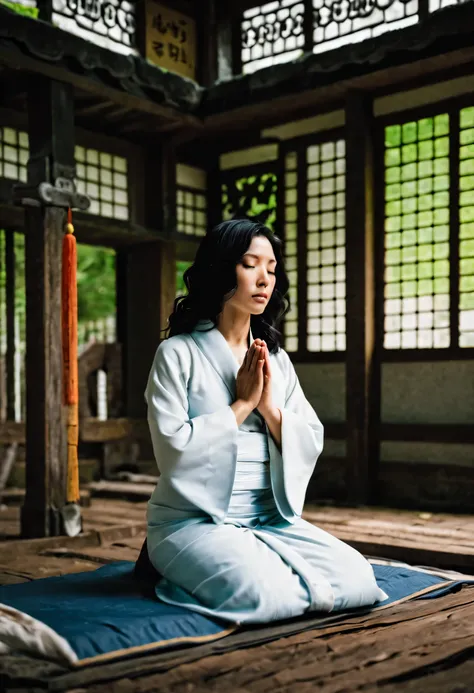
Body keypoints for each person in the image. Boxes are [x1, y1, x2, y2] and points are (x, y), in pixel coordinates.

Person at [144, 218, 387, 624]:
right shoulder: (176, 353)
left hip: (269, 517)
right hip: (194, 521)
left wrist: (269, 410)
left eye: (271, 269)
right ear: (221, 270)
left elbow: (309, 436)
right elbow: (172, 450)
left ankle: (259, 558)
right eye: (249, 264)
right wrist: (242, 405)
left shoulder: (275, 358)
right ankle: (169, 567)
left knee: (358, 579)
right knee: (263, 594)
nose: (264, 279)